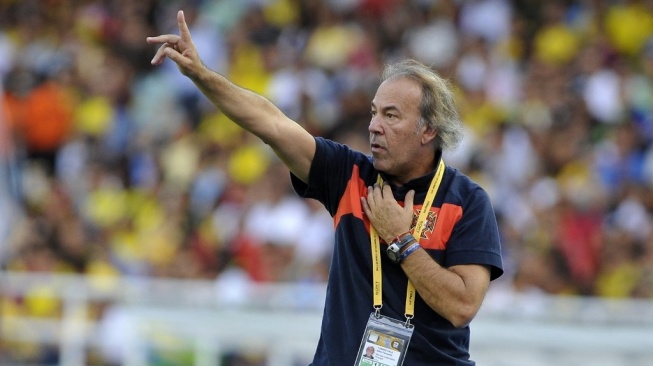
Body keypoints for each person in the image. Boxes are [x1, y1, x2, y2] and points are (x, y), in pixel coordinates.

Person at [147, 10, 503, 366]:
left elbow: (462, 306)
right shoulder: (349, 174)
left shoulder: (468, 201)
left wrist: (400, 239)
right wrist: (201, 74)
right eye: (374, 113)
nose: (374, 126)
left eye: (391, 116)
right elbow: (271, 124)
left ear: (428, 130)